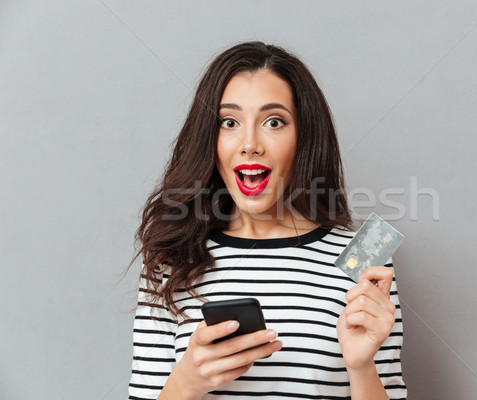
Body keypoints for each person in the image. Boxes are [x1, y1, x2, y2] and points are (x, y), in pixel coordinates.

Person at [126, 41, 407, 400]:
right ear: (210, 140)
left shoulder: (363, 257)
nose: (249, 143)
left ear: (303, 137)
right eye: (229, 122)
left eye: (274, 122)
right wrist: (186, 384)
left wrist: (361, 367)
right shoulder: (171, 260)